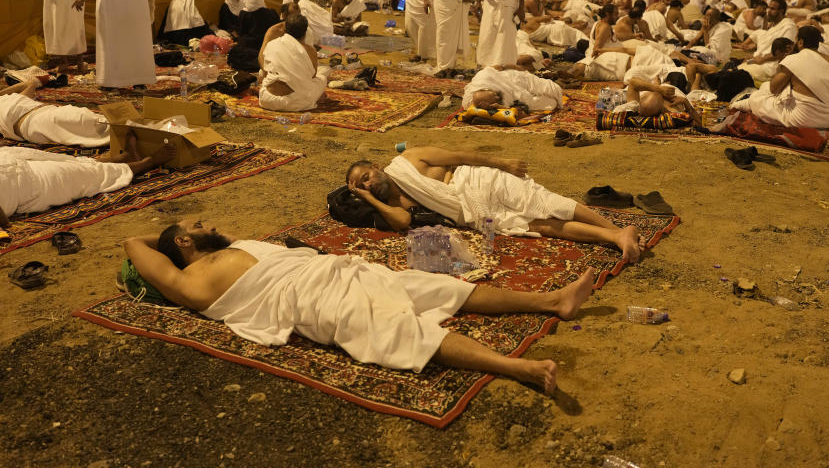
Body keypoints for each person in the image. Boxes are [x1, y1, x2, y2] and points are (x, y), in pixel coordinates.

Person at [121, 219, 597, 393]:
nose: (209, 223)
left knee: (434, 288)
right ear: (183, 240)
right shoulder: (187, 280)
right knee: (398, 331)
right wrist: (163, 239)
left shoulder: (234, 245)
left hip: (329, 271)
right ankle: (517, 367)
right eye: (196, 224)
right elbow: (132, 242)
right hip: (306, 298)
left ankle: (551, 300)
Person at [346, 147, 644, 262]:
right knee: (542, 227)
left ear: (375, 166)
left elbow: (458, 156)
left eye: (367, 177)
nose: (369, 184)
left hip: (479, 182)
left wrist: (502, 162)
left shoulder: (408, 159)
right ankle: (617, 237)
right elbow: (402, 223)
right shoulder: (391, 203)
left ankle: (617, 228)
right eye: (362, 186)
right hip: (475, 214)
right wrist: (370, 200)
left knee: (546, 203)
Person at [0, 135, 175, 225]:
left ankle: (124, 158)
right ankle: (147, 163)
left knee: (69, 161)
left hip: (7, 160)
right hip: (22, 184)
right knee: (85, 175)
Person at [731, 27, 829, 128]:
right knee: (765, 87)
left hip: (803, 119)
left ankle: (737, 105)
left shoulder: (794, 60)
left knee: (758, 98)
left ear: (801, 42)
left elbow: (774, 88)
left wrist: (783, 69)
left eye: (796, 39)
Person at [0, 78, 109, 146]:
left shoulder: (12, 98)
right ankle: (122, 133)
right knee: (85, 122)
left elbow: (30, 83)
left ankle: (122, 130)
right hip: (33, 122)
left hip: (47, 111)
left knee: (88, 117)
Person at [257, 14, 328, 112]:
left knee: (263, 72)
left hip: (267, 100)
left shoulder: (272, 43)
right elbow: (313, 75)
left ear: (285, 29)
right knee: (322, 78)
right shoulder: (310, 50)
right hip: (296, 103)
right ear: (305, 32)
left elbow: (262, 60)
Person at [462, 66, 563, 112]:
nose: (497, 96)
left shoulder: (482, 81)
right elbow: (514, 111)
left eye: (494, 94)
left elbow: (489, 70)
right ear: (485, 104)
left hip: (510, 77)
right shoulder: (469, 104)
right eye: (495, 98)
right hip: (514, 91)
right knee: (550, 103)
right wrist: (500, 107)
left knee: (552, 89)